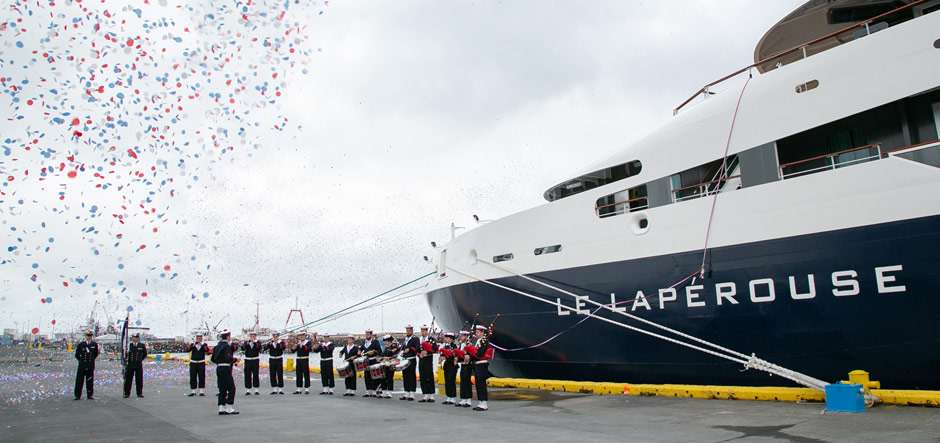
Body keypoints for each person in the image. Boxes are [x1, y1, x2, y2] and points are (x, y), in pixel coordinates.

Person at [211, 329, 239, 415]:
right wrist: (235, 360)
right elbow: (228, 358)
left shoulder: (217, 346)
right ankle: (229, 407)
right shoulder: (227, 346)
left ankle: (221, 407)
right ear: (228, 337)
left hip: (219, 368)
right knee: (231, 388)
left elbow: (213, 359)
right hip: (226, 368)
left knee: (222, 388)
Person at [468, 325, 493, 411]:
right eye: (476, 332)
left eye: (478, 332)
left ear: (483, 333)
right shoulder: (477, 341)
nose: (476, 334)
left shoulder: (484, 341)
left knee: (482, 384)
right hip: (477, 364)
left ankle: (484, 403)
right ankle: (480, 401)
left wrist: (471, 357)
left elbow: (480, 353)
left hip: (482, 364)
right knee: (478, 383)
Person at [74, 330, 99, 400]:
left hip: (90, 365)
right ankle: (77, 395)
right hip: (82, 366)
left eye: (90, 336)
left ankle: (90, 394)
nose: (89, 337)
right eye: (88, 336)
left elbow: (95, 354)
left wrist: (90, 361)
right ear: (85, 336)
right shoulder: (81, 344)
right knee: (79, 381)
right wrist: (82, 361)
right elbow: (77, 355)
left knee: (90, 381)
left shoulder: (94, 345)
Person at [399, 325, 419, 401]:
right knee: (405, 376)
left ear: (412, 331)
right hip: (405, 359)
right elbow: (402, 348)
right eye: (407, 330)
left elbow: (416, 348)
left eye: (409, 330)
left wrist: (410, 349)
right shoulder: (406, 339)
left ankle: (412, 393)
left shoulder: (415, 339)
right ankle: (406, 392)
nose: (408, 332)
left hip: (411, 359)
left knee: (411, 376)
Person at [418, 325, 438, 403]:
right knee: (422, 376)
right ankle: (425, 393)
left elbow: (435, 349)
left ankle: (431, 394)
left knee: (429, 376)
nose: (422, 333)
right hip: (421, 359)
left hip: (428, 359)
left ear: (426, 331)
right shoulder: (419, 339)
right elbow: (416, 349)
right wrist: (419, 354)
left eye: (423, 331)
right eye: (421, 331)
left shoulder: (431, 339)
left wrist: (427, 352)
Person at [124, 333, 147, 398]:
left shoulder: (141, 345)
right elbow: (125, 354)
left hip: (138, 364)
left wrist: (140, 359)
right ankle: (127, 393)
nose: (135, 339)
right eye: (134, 337)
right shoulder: (129, 345)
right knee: (128, 379)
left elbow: (145, 354)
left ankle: (139, 393)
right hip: (130, 364)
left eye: (136, 337)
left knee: (139, 379)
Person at [360, 329, 382, 397]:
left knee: (374, 375)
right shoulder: (365, 342)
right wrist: (359, 351)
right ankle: (368, 390)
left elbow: (379, 350)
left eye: (368, 334)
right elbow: (361, 349)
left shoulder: (375, 341)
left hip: (373, 360)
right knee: (367, 376)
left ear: (371, 335)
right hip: (366, 361)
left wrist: (373, 352)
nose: (367, 336)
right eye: (366, 334)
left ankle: (374, 390)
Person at [187, 333, 209, 397]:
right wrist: (192, 346)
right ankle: (193, 391)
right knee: (193, 377)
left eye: (200, 338)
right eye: (197, 338)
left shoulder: (204, 344)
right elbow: (188, 350)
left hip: (201, 362)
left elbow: (207, 350)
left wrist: (201, 344)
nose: (199, 339)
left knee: (201, 376)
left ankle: (201, 391)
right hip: (193, 362)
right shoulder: (192, 344)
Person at [455, 330, 473, 408]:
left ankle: (468, 399)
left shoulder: (469, 344)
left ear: (466, 336)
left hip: (468, 364)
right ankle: (463, 398)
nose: (461, 337)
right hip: (462, 364)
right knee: (462, 381)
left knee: (467, 381)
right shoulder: (460, 344)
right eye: (460, 336)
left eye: (462, 336)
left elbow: (470, 354)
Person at [439, 332, 458, 405]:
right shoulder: (445, 346)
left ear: (451, 339)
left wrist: (446, 357)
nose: (445, 339)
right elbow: (442, 354)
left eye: (447, 338)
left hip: (452, 365)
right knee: (447, 381)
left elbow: (454, 355)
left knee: (451, 381)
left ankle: (452, 397)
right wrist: (440, 358)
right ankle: (448, 397)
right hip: (446, 365)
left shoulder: (455, 346)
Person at [243, 331, 262, 395]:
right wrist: (247, 343)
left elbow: (259, 348)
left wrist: (254, 342)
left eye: (253, 336)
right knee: (247, 374)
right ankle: (248, 389)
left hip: (255, 360)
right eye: (251, 336)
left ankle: (256, 389)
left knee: (255, 374)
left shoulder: (257, 342)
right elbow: (242, 348)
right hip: (248, 360)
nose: (252, 337)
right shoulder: (247, 342)